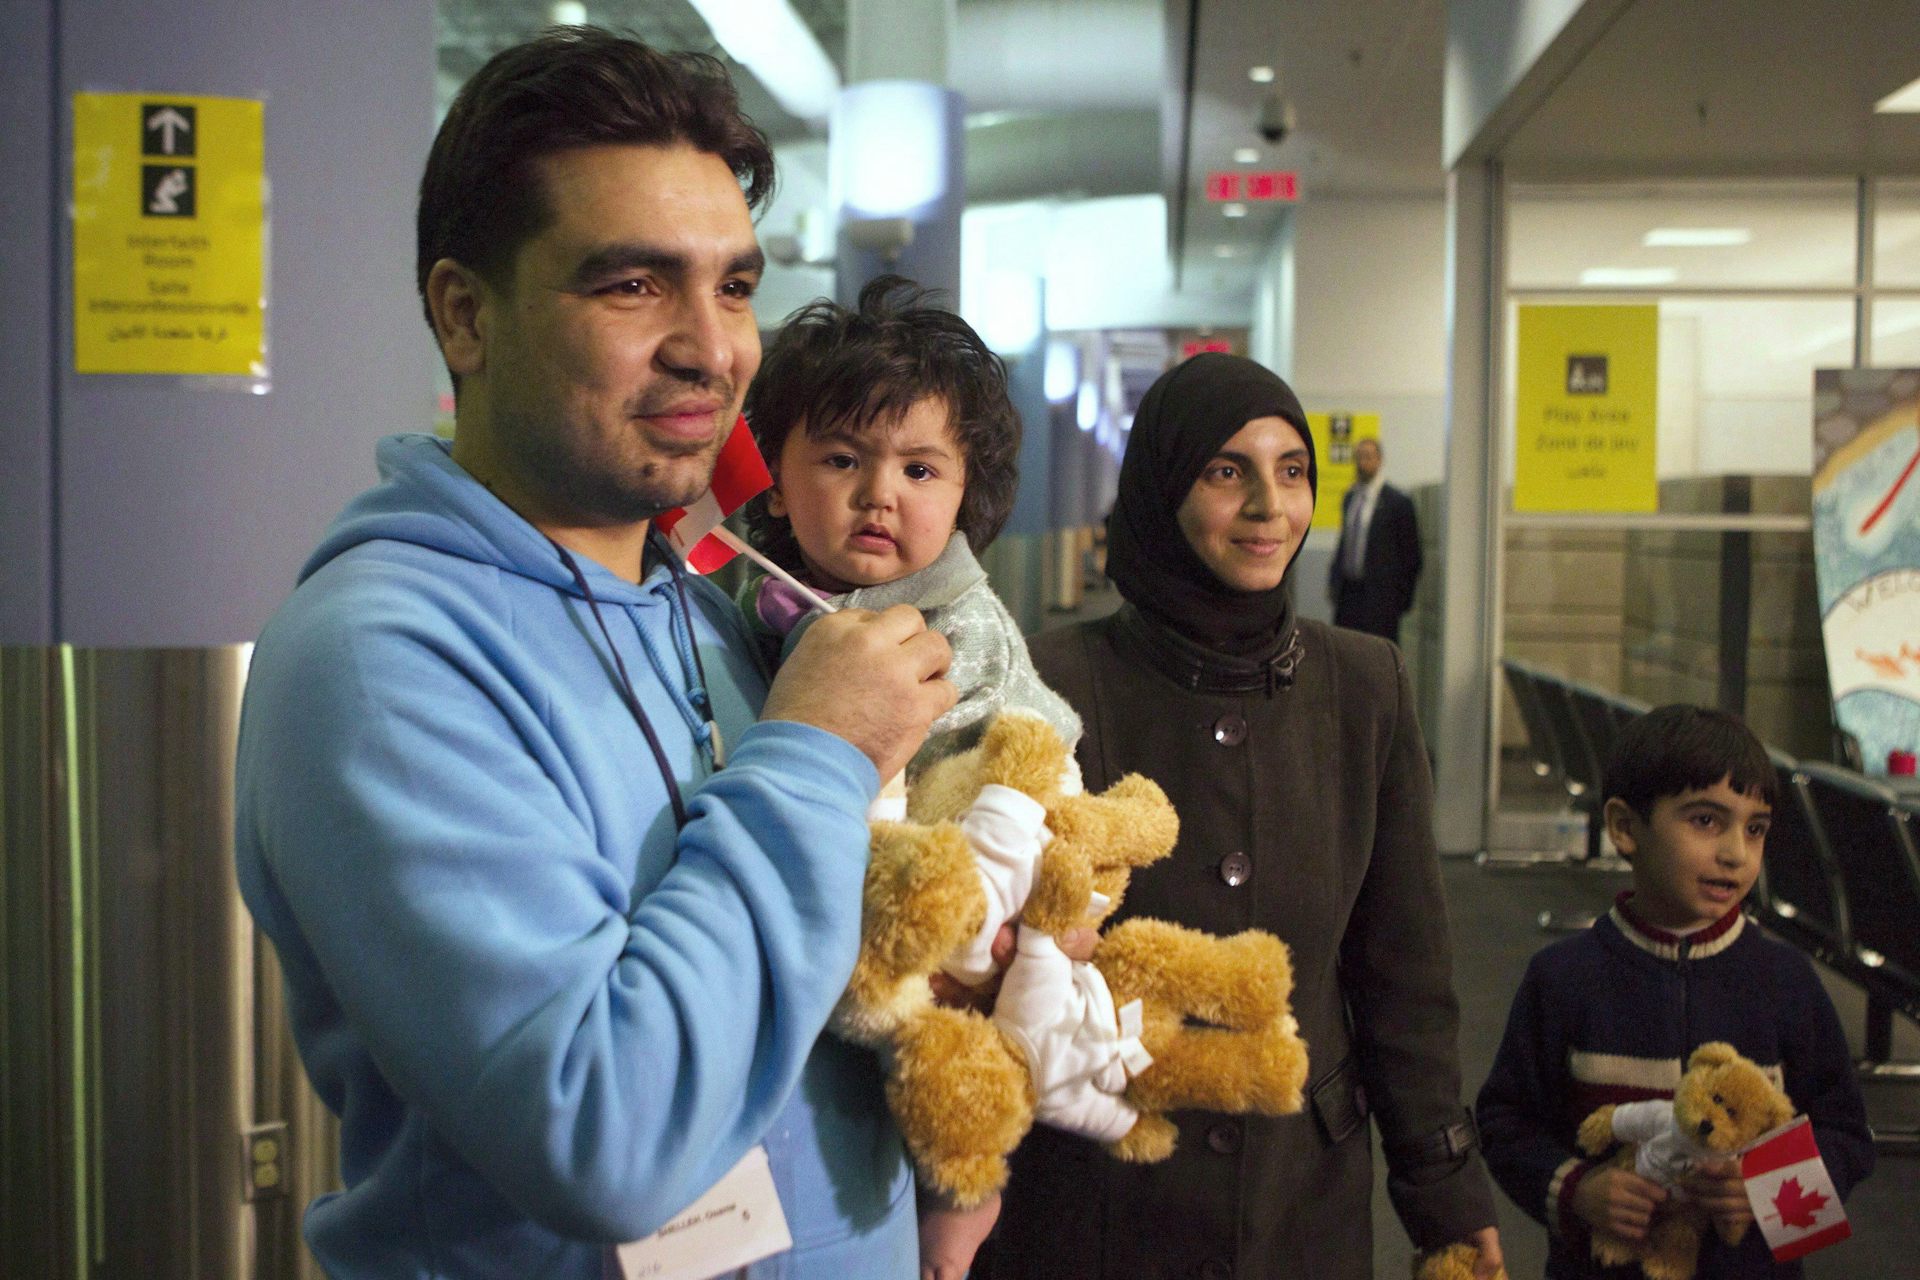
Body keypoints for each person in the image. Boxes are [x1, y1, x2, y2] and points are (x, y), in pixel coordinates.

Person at [233, 29, 954, 1280]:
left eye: (734, 286)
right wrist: (819, 752)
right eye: (633, 285)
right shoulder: (377, 661)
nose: (712, 347)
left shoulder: (711, 606)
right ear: (465, 314)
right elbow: (601, 1125)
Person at [979, 353, 1503, 1280]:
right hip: (1101, 1188)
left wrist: (1445, 1193)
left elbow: (1403, 971)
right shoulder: (1056, 680)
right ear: (1163, 489)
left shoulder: (1364, 685)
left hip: (1297, 1189)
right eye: (1229, 472)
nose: (1271, 506)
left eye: (1292, 471)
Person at [736, 276, 1094, 1280]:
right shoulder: (754, 594)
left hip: (969, 876)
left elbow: (1038, 760)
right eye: (842, 458)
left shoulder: (957, 618)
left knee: (946, 1051)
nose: (878, 492)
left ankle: (966, 1191)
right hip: (846, 901)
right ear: (776, 475)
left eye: (920, 467)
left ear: (965, 487)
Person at [1476, 705, 1875, 1279]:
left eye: (1755, 828)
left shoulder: (1786, 982)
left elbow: (1847, 1135)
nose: (1737, 853)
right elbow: (1505, 1121)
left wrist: (1769, 1192)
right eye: (1706, 821)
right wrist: (1578, 1192)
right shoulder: (1564, 978)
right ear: (1624, 828)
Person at [1327, 436, 1422, 644]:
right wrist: (1334, 581)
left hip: (1381, 600)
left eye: (1368, 457)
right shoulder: (1350, 498)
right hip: (1349, 596)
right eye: (1359, 457)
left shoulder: (1398, 502)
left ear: (1379, 460)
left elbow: (1412, 556)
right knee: (1345, 652)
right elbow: (1344, 543)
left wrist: (1401, 601)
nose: (1363, 462)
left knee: (1378, 657)